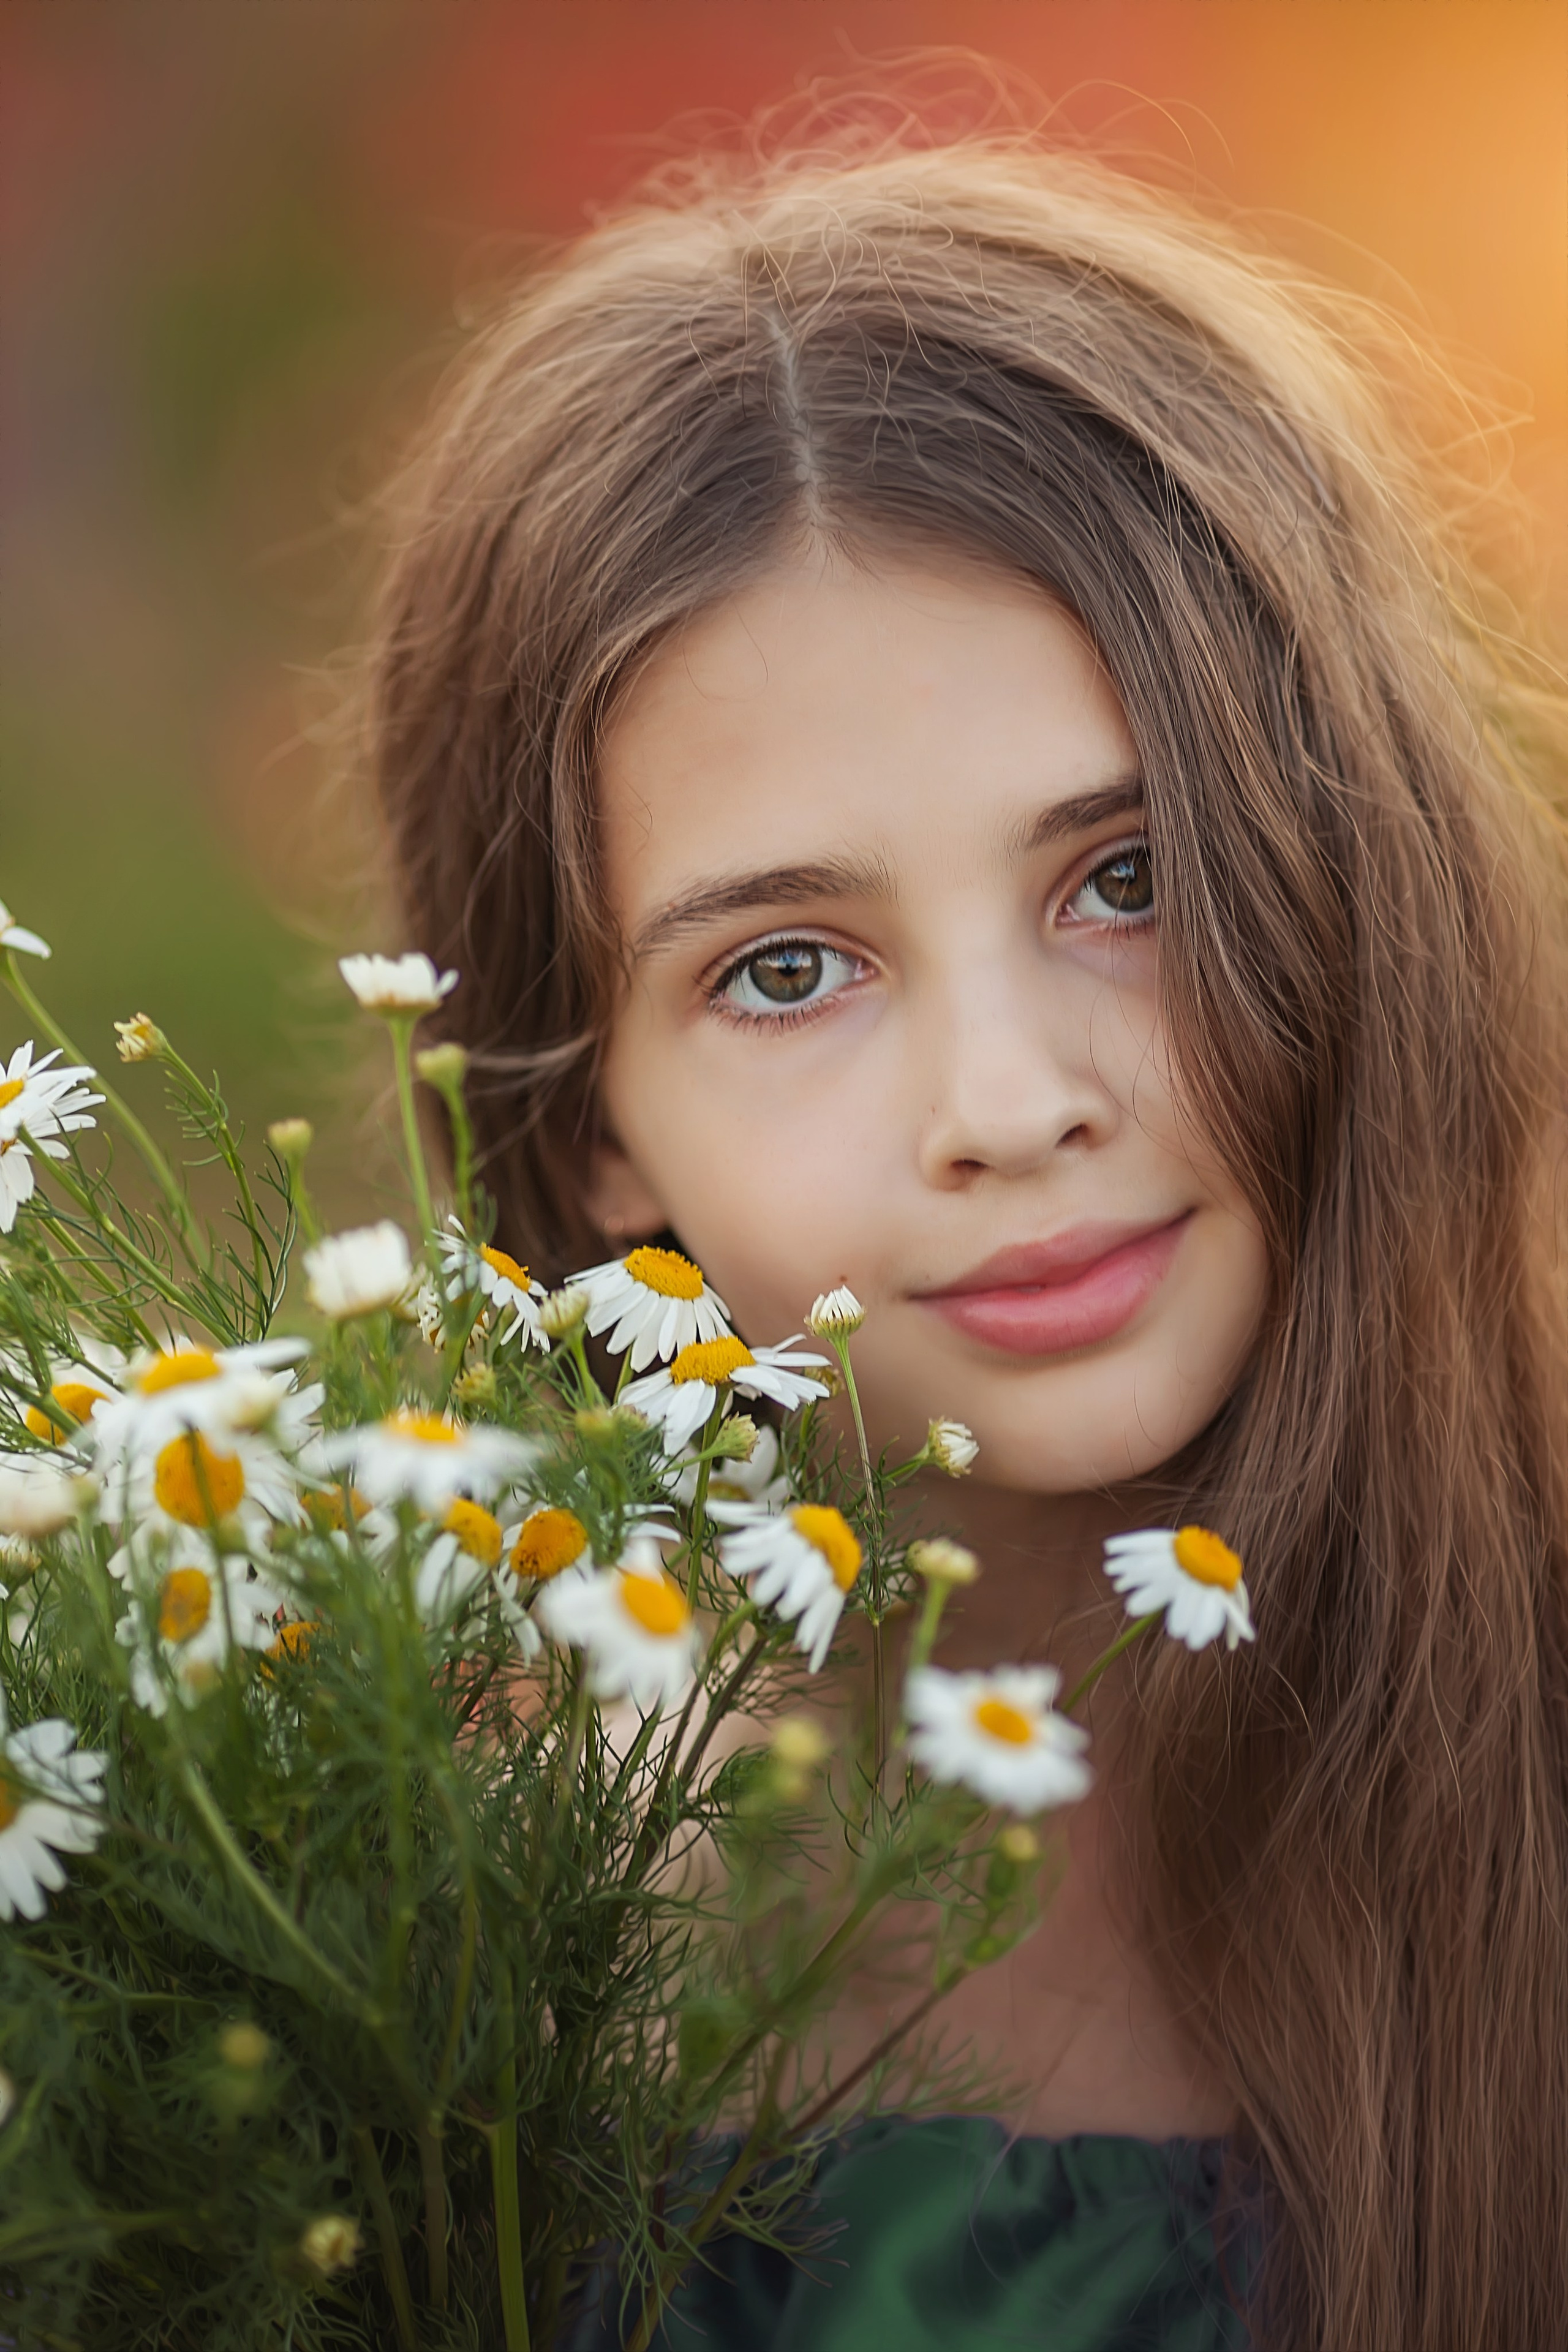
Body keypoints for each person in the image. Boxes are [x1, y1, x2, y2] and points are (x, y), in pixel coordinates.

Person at [355, 117, 1568, 2352]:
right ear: (585, 1114)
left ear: (1363, 871)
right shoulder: (389, 1932)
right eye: (788, 968)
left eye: (1129, 878)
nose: (1013, 1108)